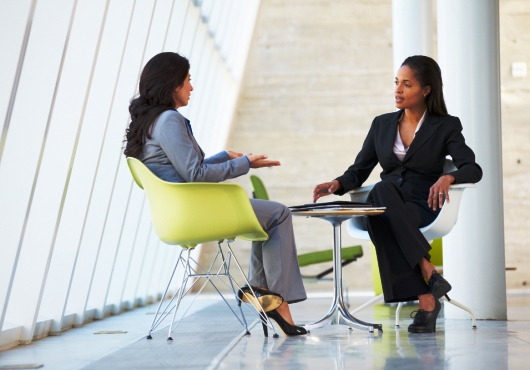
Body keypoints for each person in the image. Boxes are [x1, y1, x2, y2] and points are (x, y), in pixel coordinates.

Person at [124, 52, 307, 336]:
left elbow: (185, 171)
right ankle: (278, 305)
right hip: (196, 212)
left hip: (180, 213)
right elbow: (195, 175)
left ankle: (260, 291)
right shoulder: (169, 120)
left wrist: (228, 158)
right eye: (188, 80)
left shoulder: (150, 123)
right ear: (173, 84)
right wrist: (243, 164)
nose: (192, 88)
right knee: (279, 214)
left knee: (267, 218)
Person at [313, 55, 482, 333]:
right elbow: (359, 170)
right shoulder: (381, 124)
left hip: (420, 206)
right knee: (382, 193)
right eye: (396, 83)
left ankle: (427, 301)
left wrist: (448, 176)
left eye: (407, 84)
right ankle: (427, 272)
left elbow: (473, 168)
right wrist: (336, 184)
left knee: (383, 209)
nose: (398, 90)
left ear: (426, 89)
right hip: (381, 205)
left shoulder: (446, 125)